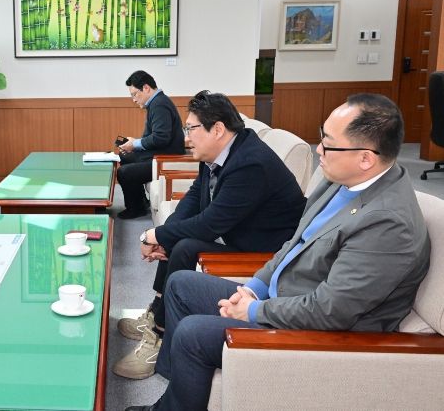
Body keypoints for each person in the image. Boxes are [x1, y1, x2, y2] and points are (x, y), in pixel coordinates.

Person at [126, 93, 431, 410]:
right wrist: (253, 288)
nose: (318, 150)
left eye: (328, 143)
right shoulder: (341, 180)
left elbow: (330, 311)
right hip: (284, 295)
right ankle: (174, 394)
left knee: (193, 333)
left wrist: (253, 311)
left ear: (366, 158)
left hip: (318, 330)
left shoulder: (387, 223)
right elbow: (294, 244)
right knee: (180, 285)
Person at [113, 90, 306, 380]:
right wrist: (163, 235)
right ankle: (158, 311)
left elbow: (209, 224)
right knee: (177, 239)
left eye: (190, 129)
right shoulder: (219, 152)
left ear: (217, 129)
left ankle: (160, 334)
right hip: (240, 233)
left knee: (185, 245)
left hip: (266, 251)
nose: (187, 137)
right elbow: (193, 199)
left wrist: (153, 235)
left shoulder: (250, 163)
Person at [117, 70, 186, 219]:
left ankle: (136, 209)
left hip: (166, 158)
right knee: (125, 156)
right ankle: (141, 202)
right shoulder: (157, 102)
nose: (134, 100)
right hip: (160, 153)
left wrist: (135, 144)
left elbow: (161, 138)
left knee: (124, 173)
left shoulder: (159, 105)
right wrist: (133, 143)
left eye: (135, 94)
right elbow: (156, 136)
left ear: (146, 88)